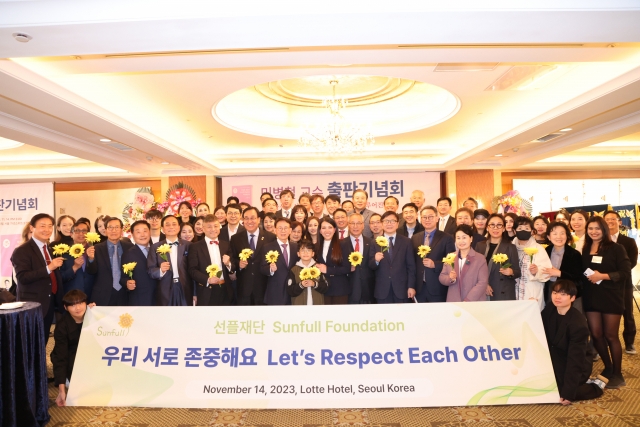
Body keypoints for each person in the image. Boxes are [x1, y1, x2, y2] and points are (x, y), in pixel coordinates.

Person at [582, 216, 631, 388]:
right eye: (591, 228)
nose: (594, 231)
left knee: (611, 336)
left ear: (604, 229)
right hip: (591, 296)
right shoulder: (586, 248)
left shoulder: (616, 248)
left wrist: (602, 276)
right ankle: (608, 367)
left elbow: (624, 272)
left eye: (597, 228)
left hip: (611, 297)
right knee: (596, 335)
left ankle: (618, 374)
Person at [542, 280, 607, 405]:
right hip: (555, 357)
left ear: (572, 298)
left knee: (560, 392)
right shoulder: (550, 308)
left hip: (575, 362)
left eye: (563, 294)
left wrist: (569, 393)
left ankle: (595, 387)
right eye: (555, 292)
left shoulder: (578, 324)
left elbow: (575, 360)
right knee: (542, 386)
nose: (557, 297)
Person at [11, 213, 65, 343]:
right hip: (31, 304)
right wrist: (49, 267)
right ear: (31, 228)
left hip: (49, 302)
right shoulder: (22, 251)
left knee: (43, 339)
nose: (47, 229)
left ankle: (40, 364)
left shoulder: (49, 248)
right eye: (42, 226)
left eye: (49, 226)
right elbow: (23, 277)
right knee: (29, 341)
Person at [51, 290, 96, 407]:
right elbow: (61, 357)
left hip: (90, 351)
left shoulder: (93, 316)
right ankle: (67, 378)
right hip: (71, 353)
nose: (78, 308)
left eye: (81, 303)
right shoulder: (62, 326)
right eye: (72, 305)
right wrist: (61, 391)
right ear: (65, 308)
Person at [603, 210, 639, 354]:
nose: (610, 221)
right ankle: (606, 340)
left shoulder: (628, 241)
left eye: (613, 219)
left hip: (623, 283)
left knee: (627, 313)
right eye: (607, 219)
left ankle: (629, 342)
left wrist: (616, 274)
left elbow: (632, 262)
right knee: (606, 312)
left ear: (619, 222)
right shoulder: (601, 242)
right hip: (605, 283)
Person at [231, 207, 277, 305]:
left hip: (264, 287)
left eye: (252, 218)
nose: (249, 221)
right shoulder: (236, 238)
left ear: (258, 219)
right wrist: (238, 264)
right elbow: (232, 259)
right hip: (244, 288)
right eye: (246, 218)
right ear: (242, 220)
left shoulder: (270, 237)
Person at [369, 211, 416, 303]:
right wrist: (376, 261)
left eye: (392, 221)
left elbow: (411, 267)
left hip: (402, 290)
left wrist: (411, 286)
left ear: (397, 224)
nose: (389, 224)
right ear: (382, 224)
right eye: (386, 221)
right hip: (382, 290)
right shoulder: (374, 242)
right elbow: (371, 265)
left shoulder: (406, 242)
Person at [85, 217, 134, 306]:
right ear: (106, 230)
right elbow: (91, 271)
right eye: (110, 227)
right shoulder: (96, 248)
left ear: (121, 230)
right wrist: (91, 259)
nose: (113, 230)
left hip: (125, 293)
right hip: (102, 294)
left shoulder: (129, 247)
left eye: (116, 227)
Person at [412, 205, 456, 303]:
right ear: (420, 219)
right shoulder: (415, 238)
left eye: (430, 217)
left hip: (438, 287)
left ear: (437, 218)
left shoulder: (446, 238)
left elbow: (451, 261)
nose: (427, 220)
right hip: (419, 288)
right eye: (424, 217)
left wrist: (435, 264)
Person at [188, 215, 234, 306]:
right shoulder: (195, 247)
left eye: (216, 226)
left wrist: (229, 264)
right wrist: (208, 280)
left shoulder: (226, 245)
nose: (213, 229)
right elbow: (192, 270)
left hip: (225, 289)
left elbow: (233, 267)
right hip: (206, 290)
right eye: (209, 227)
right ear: (203, 229)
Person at [148, 215, 192, 306]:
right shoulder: (155, 247)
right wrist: (160, 270)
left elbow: (193, 270)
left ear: (179, 228)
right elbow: (151, 270)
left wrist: (195, 293)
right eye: (167, 225)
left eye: (174, 224)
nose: (171, 227)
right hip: (164, 290)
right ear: (162, 229)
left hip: (185, 288)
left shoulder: (189, 245)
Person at [475, 214, 520, 301]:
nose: (495, 228)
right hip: (482, 290)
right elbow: (474, 270)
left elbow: (517, 272)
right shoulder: (480, 246)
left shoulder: (511, 247)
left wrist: (511, 272)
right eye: (492, 225)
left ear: (503, 228)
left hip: (503, 292)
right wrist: (484, 285)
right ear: (487, 227)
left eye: (499, 225)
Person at [439, 224, 489, 302]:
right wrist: (450, 279)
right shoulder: (450, 257)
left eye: (464, 237)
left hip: (473, 301)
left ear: (471, 239)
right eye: (458, 238)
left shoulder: (480, 258)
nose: (461, 241)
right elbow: (442, 277)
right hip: (454, 300)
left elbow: (482, 282)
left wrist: (468, 299)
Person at [513, 216, 552, 311]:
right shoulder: (510, 248)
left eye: (527, 228)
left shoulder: (538, 249)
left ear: (532, 231)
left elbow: (547, 271)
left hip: (532, 292)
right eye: (520, 228)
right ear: (514, 231)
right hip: (513, 292)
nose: (523, 231)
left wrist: (536, 272)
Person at [542, 221, 583, 304]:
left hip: (567, 293)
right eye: (555, 234)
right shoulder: (545, 251)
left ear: (567, 236)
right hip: (549, 290)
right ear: (549, 237)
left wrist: (560, 273)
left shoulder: (574, 254)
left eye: (562, 233)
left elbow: (579, 280)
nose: (559, 237)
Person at [260, 218, 299, 305]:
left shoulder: (296, 247)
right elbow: (262, 268)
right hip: (275, 292)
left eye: (285, 228)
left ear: (290, 230)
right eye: (280, 228)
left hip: (293, 292)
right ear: (275, 230)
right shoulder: (267, 247)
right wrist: (270, 269)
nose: (283, 231)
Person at [316, 217, 351, 305]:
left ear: (335, 229)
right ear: (320, 231)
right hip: (322, 289)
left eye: (330, 227)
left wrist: (328, 270)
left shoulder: (343, 244)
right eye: (323, 228)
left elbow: (347, 268)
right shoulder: (316, 246)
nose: (327, 230)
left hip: (340, 289)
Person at [120, 220, 156, 306]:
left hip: (159, 298)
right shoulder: (128, 254)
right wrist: (127, 283)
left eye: (145, 231)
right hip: (139, 298)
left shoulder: (158, 250)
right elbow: (123, 277)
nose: (142, 235)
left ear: (150, 232)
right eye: (138, 232)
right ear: (132, 235)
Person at [346, 213, 376, 304]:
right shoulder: (341, 244)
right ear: (348, 225)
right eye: (352, 223)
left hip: (369, 290)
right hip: (349, 290)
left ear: (363, 225)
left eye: (358, 223)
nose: (355, 226)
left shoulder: (372, 243)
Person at [288, 240, 329, 305]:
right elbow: (290, 290)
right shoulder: (294, 270)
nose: (305, 253)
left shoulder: (318, 267)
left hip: (317, 305)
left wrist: (314, 284)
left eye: (308, 250)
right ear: (298, 254)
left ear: (313, 253)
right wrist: (301, 285)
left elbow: (326, 287)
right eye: (303, 250)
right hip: (299, 306)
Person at [61, 221, 95, 297]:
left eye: (84, 231)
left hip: (92, 295)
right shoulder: (63, 252)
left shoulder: (95, 250)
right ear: (71, 234)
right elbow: (60, 277)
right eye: (77, 231)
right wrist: (74, 268)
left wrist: (91, 259)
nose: (81, 234)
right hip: (71, 296)